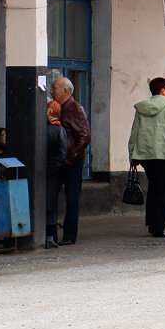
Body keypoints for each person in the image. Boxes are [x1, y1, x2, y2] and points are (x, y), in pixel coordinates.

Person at [128, 77, 165, 237]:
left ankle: (151, 223)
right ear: (163, 89)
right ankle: (158, 227)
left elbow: (134, 131)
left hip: (145, 154)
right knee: (163, 190)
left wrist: (132, 153)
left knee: (152, 188)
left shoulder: (142, 108)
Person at [50, 77, 91, 246]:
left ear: (65, 91)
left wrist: (70, 158)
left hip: (71, 162)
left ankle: (69, 235)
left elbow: (84, 136)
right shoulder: (57, 108)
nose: (52, 91)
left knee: (72, 198)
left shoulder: (75, 109)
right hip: (58, 160)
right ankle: (50, 234)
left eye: (54, 88)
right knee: (51, 196)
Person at [43, 100, 69, 249]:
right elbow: (62, 153)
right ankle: (50, 237)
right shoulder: (58, 130)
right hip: (53, 173)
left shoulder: (40, 128)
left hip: (41, 172)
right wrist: (52, 168)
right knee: (51, 205)